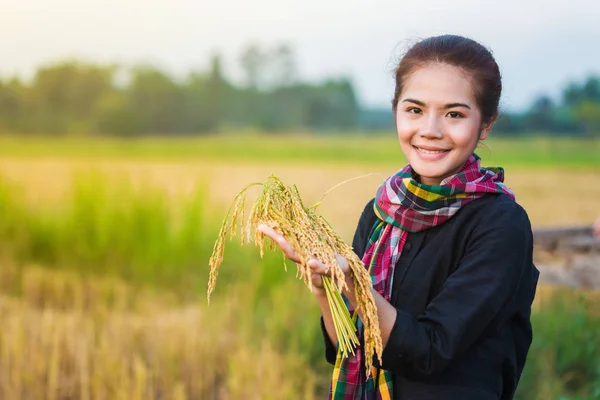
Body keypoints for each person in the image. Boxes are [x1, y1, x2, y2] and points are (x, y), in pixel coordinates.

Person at [258, 34, 540, 400]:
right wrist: (326, 285)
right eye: (414, 110)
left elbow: (430, 349)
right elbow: (345, 344)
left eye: (454, 114)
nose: (430, 130)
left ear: (485, 124)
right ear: (396, 111)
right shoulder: (380, 211)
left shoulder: (500, 223)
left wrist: (354, 282)